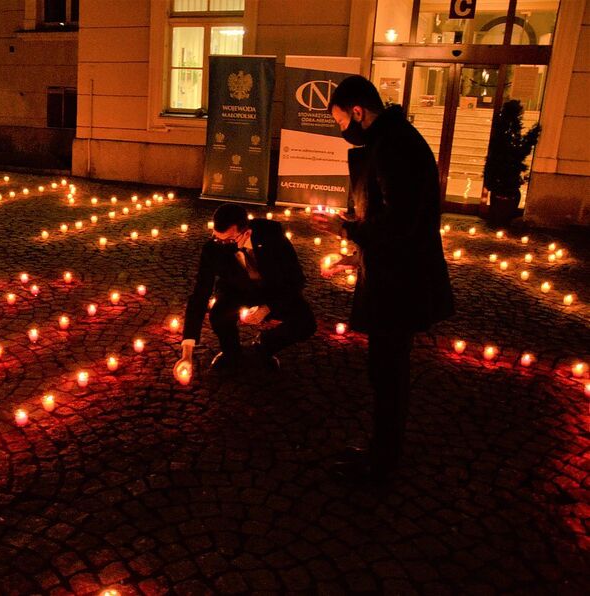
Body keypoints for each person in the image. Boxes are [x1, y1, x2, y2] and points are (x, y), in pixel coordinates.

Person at [321, 75, 454, 481]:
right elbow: (386, 214)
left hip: (401, 284)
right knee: (384, 369)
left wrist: (346, 231)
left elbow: (400, 225)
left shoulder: (395, 146)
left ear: (358, 111)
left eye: (342, 121)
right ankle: (381, 449)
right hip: (392, 276)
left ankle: (383, 461)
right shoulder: (390, 140)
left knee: (389, 370)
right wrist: (357, 235)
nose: (342, 130)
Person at [173, 203, 316, 379]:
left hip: (274, 292)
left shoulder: (272, 235)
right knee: (218, 314)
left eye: (228, 240)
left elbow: (296, 280)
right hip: (238, 291)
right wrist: (187, 353)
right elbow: (199, 295)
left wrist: (267, 308)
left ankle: (265, 346)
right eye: (217, 238)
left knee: (306, 323)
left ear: (246, 233)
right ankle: (231, 353)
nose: (222, 245)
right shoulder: (213, 248)